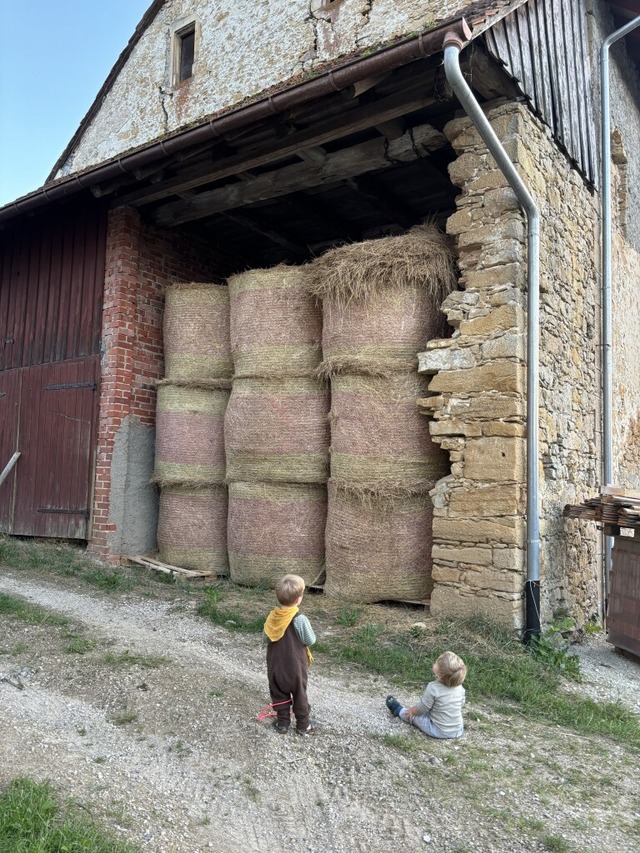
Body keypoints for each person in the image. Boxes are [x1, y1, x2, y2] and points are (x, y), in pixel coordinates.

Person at [263, 574, 317, 735]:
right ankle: (303, 725)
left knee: (278, 693)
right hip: (295, 667)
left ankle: (282, 723)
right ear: (299, 599)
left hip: (275, 665)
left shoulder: (272, 617)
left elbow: (265, 638)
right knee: (299, 694)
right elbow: (310, 640)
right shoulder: (299, 620)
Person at [385, 650, 466, 739]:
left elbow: (422, 708)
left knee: (415, 716)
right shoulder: (460, 688)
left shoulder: (433, 688)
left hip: (438, 730)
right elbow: (461, 703)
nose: (434, 663)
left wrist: (412, 711)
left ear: (439, 673)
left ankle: (398, 710)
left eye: (436, 663)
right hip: (457, 730)